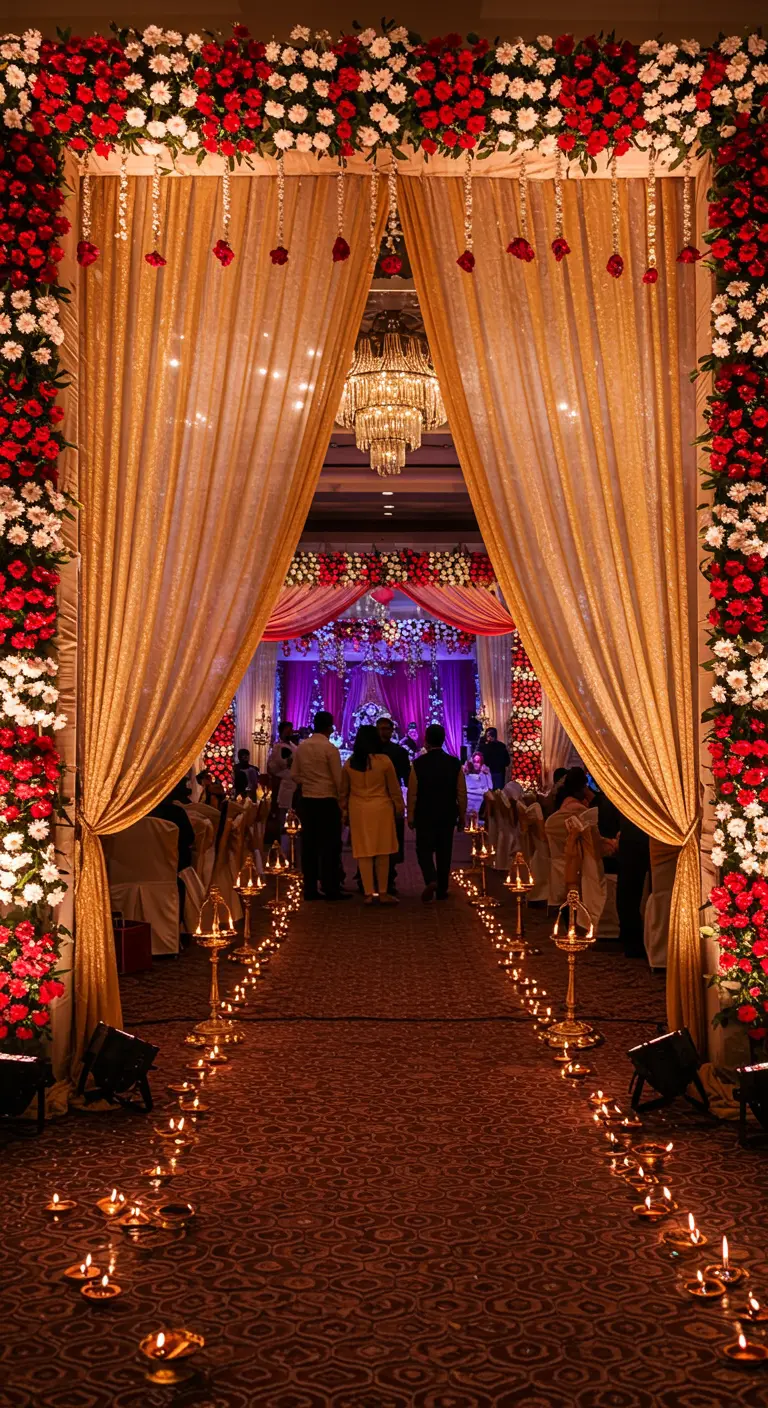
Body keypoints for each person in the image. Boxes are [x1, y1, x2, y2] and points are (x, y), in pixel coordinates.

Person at [340, 724, 404, 905]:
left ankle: (369, 892)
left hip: (358, 809)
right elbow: (394, 788)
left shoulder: (350, 763)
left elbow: (343, 791)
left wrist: (343, 811)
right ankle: (382, 892)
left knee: (364, 851)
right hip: (381, 808)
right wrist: (400, 806)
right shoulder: (384, 761)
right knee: (383, 851)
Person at [291, 710, 348, 901]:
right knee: (330, 846)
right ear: (329, 727)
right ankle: (331, 887)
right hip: (327, 801)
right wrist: (342, 802)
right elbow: (338, 779)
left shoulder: (302, 747)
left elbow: (294, 775)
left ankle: (310, 888)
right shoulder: (330, 749)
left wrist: (307, 782)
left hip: (307, 801)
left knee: (309, 846)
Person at [407, 723, 467, 902]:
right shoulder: (454, 763)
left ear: (426, 740)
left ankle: (431, 879)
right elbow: (461, 793)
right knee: (444, 850)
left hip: (424, 812)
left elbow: (412, 792)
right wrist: (462, 816)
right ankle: (442, 889)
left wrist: (410, 815)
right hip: (447, 813)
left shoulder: (418, 764)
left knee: (423, 849)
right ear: (443, 740)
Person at [376, 716, 409, 895]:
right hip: (373, 799)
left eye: (386, 729)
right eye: (381, 729)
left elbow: (406, 777)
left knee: (392, 841)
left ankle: (390, 877)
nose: (384, 732)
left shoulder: (399, 752)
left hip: (391, 799)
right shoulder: (370, 752)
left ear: (392, 731)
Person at [267, 721, 297, 846]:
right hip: (284, 784)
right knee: (283, 814)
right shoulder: (278, 747)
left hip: (294, 784)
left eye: (291, 729)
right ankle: (282, 843)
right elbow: (273, 767)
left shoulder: (293, 746)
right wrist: (288, 763)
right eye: (287, 730)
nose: (290, 732)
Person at [463, 751, 492, 817]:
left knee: (475, 815)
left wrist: (484, 774)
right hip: (468, 797)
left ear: (481, 763)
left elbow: (490, 786)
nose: (476, 764)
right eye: (474, 761)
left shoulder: (485, 773)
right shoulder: (467, 772)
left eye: (478, 762)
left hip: (479, 798)